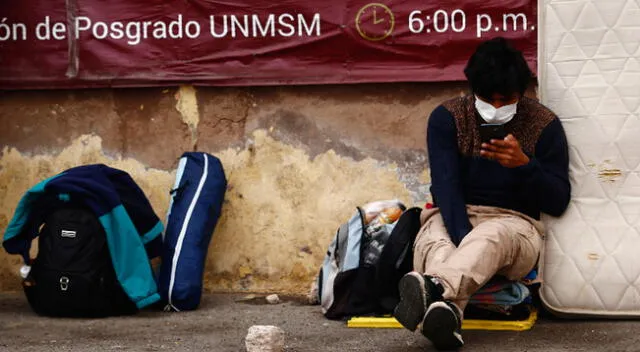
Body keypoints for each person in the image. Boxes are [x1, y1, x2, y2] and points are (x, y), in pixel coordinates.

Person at [393, 37, 570, 350]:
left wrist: (524, 165)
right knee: (439, 244)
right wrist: (464, 238)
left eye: (506, 99)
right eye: (489, 99)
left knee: (491, 236)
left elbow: (558, 201)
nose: (497, 107)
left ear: (522, 93)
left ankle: (434, 288)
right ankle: (446, 314)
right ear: (473, 90)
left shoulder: (544, 125)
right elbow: (445, 187)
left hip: (514, 225)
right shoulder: (448, 118)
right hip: (452, 214)